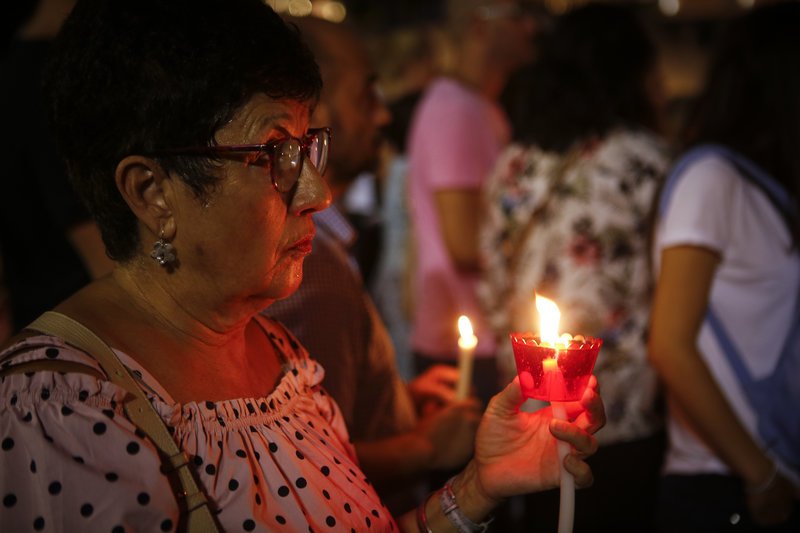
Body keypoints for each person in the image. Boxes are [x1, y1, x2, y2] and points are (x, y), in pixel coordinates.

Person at [0, 1, 604, 531]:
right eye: (275, 154)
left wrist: (479, 486)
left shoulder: (279, 355)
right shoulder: (62, 412)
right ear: (152, 192)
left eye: (309, 148)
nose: (318, 193)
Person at [266, 16, 478, 515]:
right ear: (308, 109)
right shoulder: (307, 262)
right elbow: (303, 455)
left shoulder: (324, 248)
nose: (383, 117)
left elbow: (327, 403)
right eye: (366, 96)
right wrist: (425, 448)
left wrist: (397, 400)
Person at [478, 5, 670, 531]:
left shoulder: (515, 160)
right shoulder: (646, 160)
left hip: (527, 410)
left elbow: (492, 278)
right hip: (621, 414)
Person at [649, 3, 800, 531]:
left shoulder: (759, 184)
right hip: (724, 480)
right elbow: (669, 342)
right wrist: (761, 475)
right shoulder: (712, 178)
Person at [406, 0, 537, 405]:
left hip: (474, 334)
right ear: (480, 25)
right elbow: (463, 242)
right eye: (519, 14)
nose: (531, 26)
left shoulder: (475, 106)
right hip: (464, 344)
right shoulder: (455, 109)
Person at [0, 0, 114, 334]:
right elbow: (93, 243)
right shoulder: (49, 82)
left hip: (46, 326)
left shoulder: (14, 72)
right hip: (87, 335)